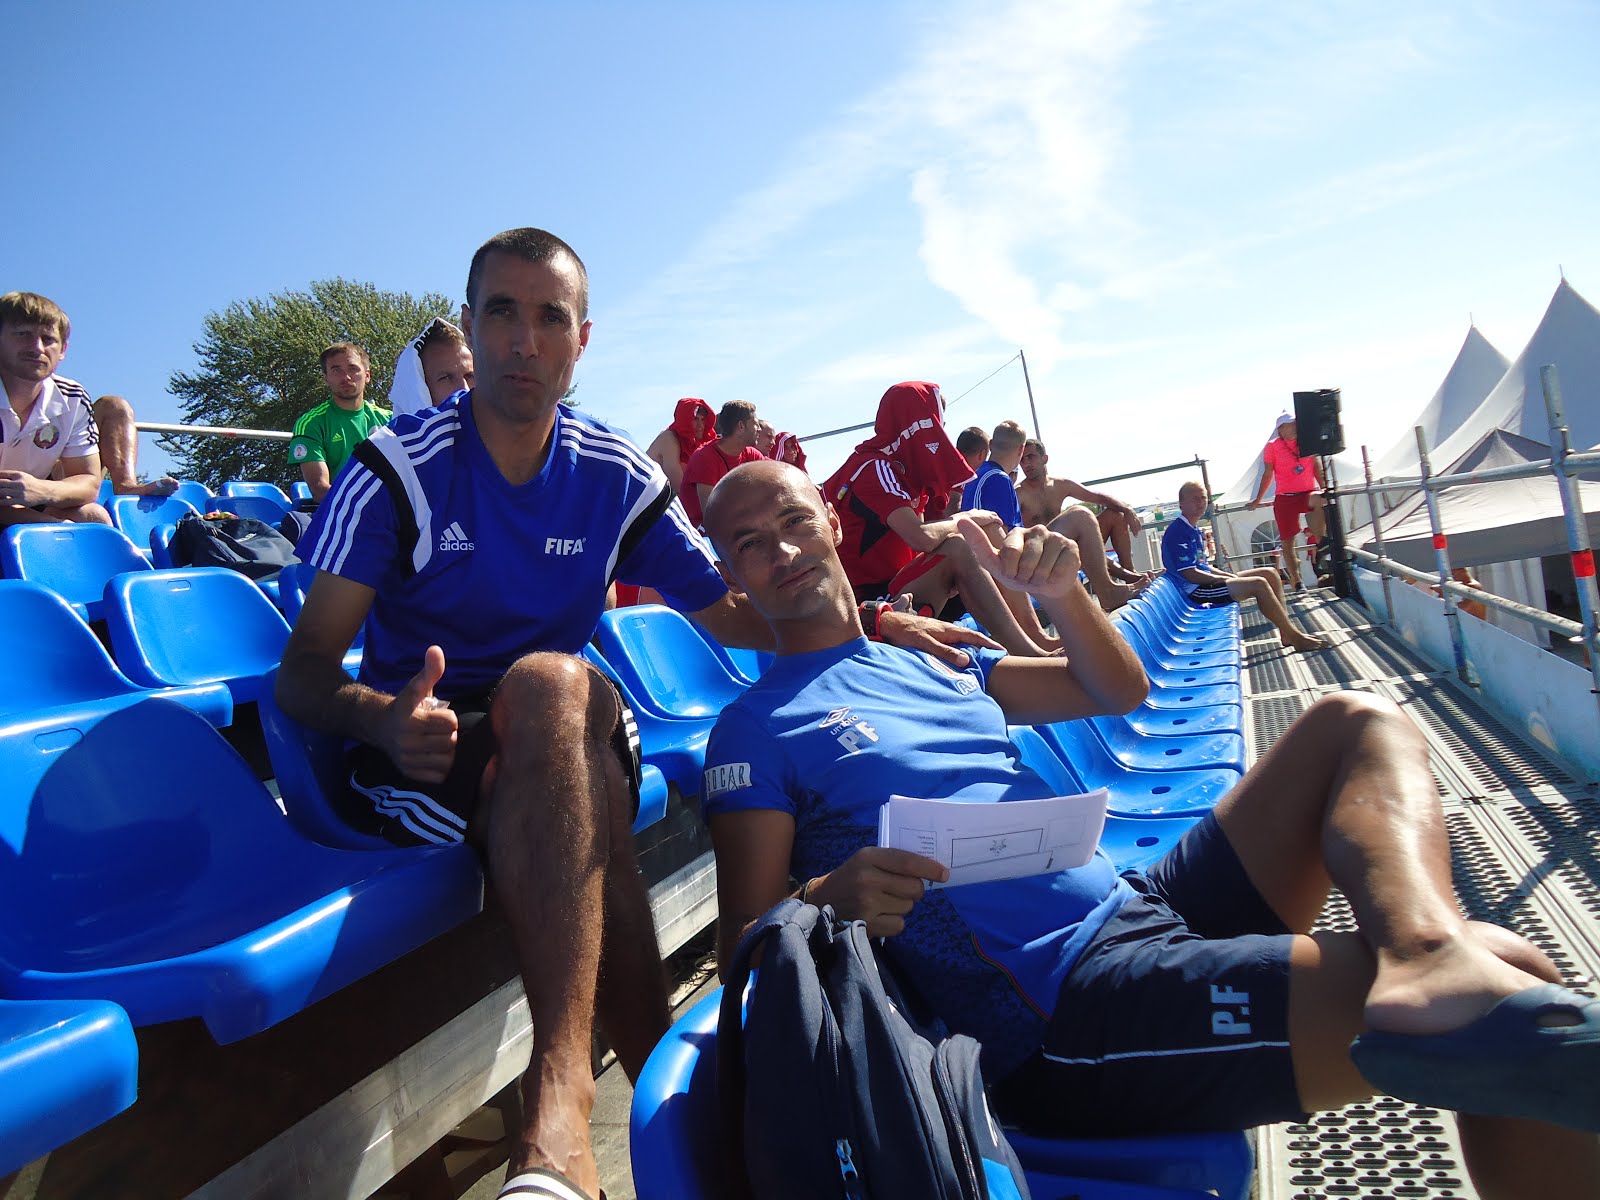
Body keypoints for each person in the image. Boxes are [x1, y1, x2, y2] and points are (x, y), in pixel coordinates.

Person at [275, 228, 982, 1200]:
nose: (526, 340)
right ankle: (648, 1104)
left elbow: (735, 609)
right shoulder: (398, 468)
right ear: (473, 333)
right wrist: (377, 718)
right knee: (578, 745)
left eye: (549, 318)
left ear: (581, 340)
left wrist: (871, 622)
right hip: (425, 749)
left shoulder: (611, 474)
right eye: (502, 314)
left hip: (552, 716)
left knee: (558, 688)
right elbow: (303, 672)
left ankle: (563, 1117)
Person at [700, 459, 1600, 1197]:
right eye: (747, 544)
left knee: (1355, 720)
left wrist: (1065, 595)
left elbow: (1115, 691)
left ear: (828, 519)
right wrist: (827, 894)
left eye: (791, 519)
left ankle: (1423, 945)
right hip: (1058, 1015)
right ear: (728, 570)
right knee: (1507, 983)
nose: (779, 550)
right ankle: (1440, 974)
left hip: (1134, 909)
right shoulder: (753, 729)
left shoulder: (928, 656)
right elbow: (746, 938)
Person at [821, 382, 1059, 656]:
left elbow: (926, 540)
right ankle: (1028, 651)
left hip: (890, 588)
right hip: (862, 606)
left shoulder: (904, 472)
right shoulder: (874, 467)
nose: (939, 428)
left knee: (985, 529)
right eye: (934, 418)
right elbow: (920, 537)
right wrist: (968, 518)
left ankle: (1034, 635)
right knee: (962, 544)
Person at [1164, 481, 1327, 652]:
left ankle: (1286, 633)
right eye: (1194, 499)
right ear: (1181, 503)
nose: (1200, 503)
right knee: (1258, 584)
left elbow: (1203, 566)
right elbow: (1191, 574)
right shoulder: (1178, 532)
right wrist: (1225, 579)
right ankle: (1296, 637)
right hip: (1194, 592)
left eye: (1203, 498)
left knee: (1270, 573)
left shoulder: (1193, 530)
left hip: (1203, 584)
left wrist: (1229, 577)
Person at [0, 291, 110, 526]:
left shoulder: (71, 398)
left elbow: (88, 482)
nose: (37, 347)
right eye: (23, 334)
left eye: (48, 339)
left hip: (25, 506)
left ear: (63, 351)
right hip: (14, 512)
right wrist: (47, 523)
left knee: (92, 516)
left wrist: (42, 490)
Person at [1013, 438, 1147, 610]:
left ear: (1044, 458)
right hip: (1043, 554)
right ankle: (1111, 591)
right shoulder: (1019, 494)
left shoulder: (1060, 485)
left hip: (1066, 546)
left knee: (1116, 514)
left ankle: (1131, 575)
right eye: (1022, 460)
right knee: (1079, 515)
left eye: (1031, 457)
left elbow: (1097, 497)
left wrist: (1127, 509)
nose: (1026, 464)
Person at [288, 342, 391, 502]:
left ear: (367, 375)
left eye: (353, 369)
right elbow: (320, 489)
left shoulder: (391, 420)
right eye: (336, 370)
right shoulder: (311, 423)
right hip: (340, 515)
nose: (346, 377)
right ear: (326, 378)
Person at [1248, 412, 1326, 588]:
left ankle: (1321, 542)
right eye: (1290, 424)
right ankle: (1296, 580)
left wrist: (1323, 487)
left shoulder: (1306, 441)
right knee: (1287, 540)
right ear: (1281, 429)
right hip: (1285, 497)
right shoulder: (1272, 446)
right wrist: (1257, 500)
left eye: (1295, 423)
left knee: (1319, 499)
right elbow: (1267, 473)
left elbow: (1315, 465)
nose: (1295, 426)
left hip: (1307, 492)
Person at [680, 400, 764, 527]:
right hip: (701, 532)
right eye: (756, 424)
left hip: (737, 524)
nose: (759, 429)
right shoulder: (704, 457)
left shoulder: (752, 455)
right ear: (741, 426)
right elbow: (711, 515)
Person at [389, 319, 475, 417]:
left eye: (470, 376)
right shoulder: (391, 432)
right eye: (446, 378)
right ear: (417, 388)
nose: (465, 389)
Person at [960, 420, 1026, 529]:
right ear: (1021, 449)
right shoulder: (998, 479)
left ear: (990, 445)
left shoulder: (978, 474)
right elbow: (1003, 536)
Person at [643, 397, 716, 495]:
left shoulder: (695, 446)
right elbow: (680, 487)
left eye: (703, 420)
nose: (700, 425)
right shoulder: (668, 438)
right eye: (695, 419)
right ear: (685, 419)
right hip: (645, 502)